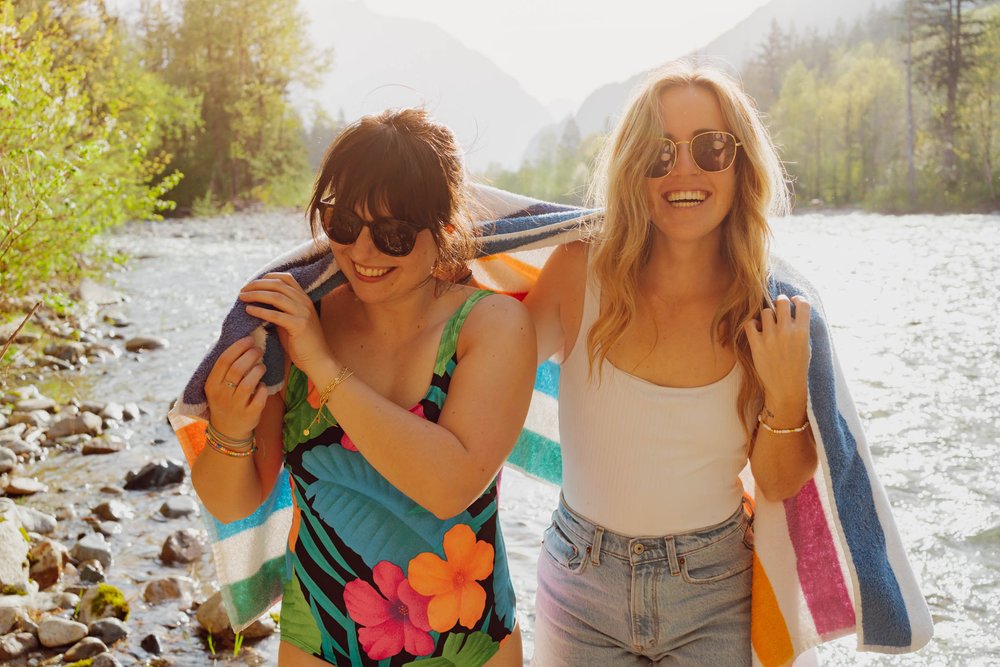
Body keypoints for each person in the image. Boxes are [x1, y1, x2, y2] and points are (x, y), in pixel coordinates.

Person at [190, 108, 534, 666]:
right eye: (344, 224)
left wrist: (323, 366)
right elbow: (234, 499)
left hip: (467, 644)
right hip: (322, 638)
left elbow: (450, 486)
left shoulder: (489, 326)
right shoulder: (296, 319)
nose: (363, 252)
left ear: (444, 231)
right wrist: (230, 429)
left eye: (394, 234)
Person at [524, 60, 814, 665]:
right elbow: (485, 363)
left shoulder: (767, 309)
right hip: (581, 586)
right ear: (633, 169)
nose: (684, 170)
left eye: (710, 148)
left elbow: (782, 483)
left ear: (740, 166)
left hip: (715, 591)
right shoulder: (579, 272)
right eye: (659, 152)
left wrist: (787, 395)